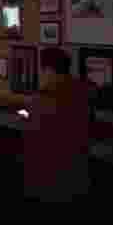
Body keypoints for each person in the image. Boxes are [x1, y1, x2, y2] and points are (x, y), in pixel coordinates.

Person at [15, 47, 92, 202]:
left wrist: (23, 114)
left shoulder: (44, 96)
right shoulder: (83, 90)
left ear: (48, 68)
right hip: (78, 172)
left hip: (49, 176)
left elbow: (31, 128)